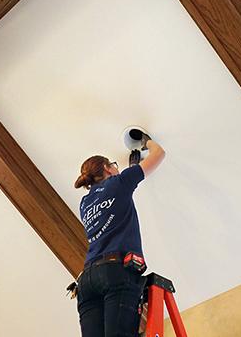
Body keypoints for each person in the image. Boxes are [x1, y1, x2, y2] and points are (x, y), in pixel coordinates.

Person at [74, 135, 165, 337]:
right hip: (115, 272)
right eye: (113, 165)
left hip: (87, 281)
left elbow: (114, 202)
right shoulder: (119, 182)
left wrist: (131, 168)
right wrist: (145, 141)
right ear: (107, 168)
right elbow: (159, 154)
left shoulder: (85, 203)